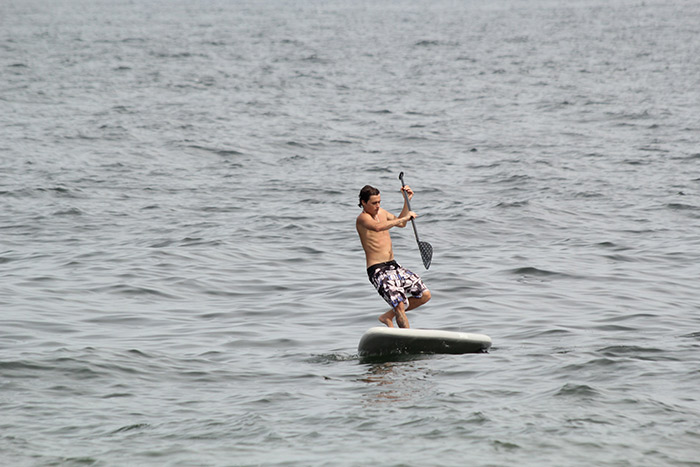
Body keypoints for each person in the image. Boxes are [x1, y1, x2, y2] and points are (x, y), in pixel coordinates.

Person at [356, 184, 431, 328]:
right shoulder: (362, 219)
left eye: (379, 202)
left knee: (424, 295)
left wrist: (406, 201)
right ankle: (407, 338)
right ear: (363, 203)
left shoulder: (382, 213)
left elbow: (401, 223)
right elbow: (378, 227)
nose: (377, 206)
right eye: (374, 203)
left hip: (394, 265)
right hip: (378, 270)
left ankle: (387, 317)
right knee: (400, 305)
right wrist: (405, 218)